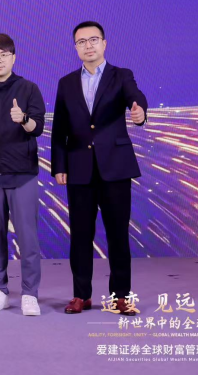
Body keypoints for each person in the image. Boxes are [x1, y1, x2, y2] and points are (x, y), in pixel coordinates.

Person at [51, 21, 147, 315]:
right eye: (81, 42)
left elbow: (135, 96)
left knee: (118, 235)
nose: (88, 45)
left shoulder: (121, 75)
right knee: (80, 235)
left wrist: (139, 111)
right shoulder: (66, 83)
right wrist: (59, 165)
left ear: (104, 43)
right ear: (75, 48)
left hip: (115, 167)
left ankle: (121, 296)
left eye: (93, 40)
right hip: (79, 168)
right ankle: (81, 295)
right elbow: (59, 130)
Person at [0, 33, 45, 316]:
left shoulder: (28, 89)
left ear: (13, 57)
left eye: (3, 55)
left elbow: (38, 127)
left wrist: (23, 119)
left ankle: (30, 293)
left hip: (22, 174)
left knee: (27, 237)